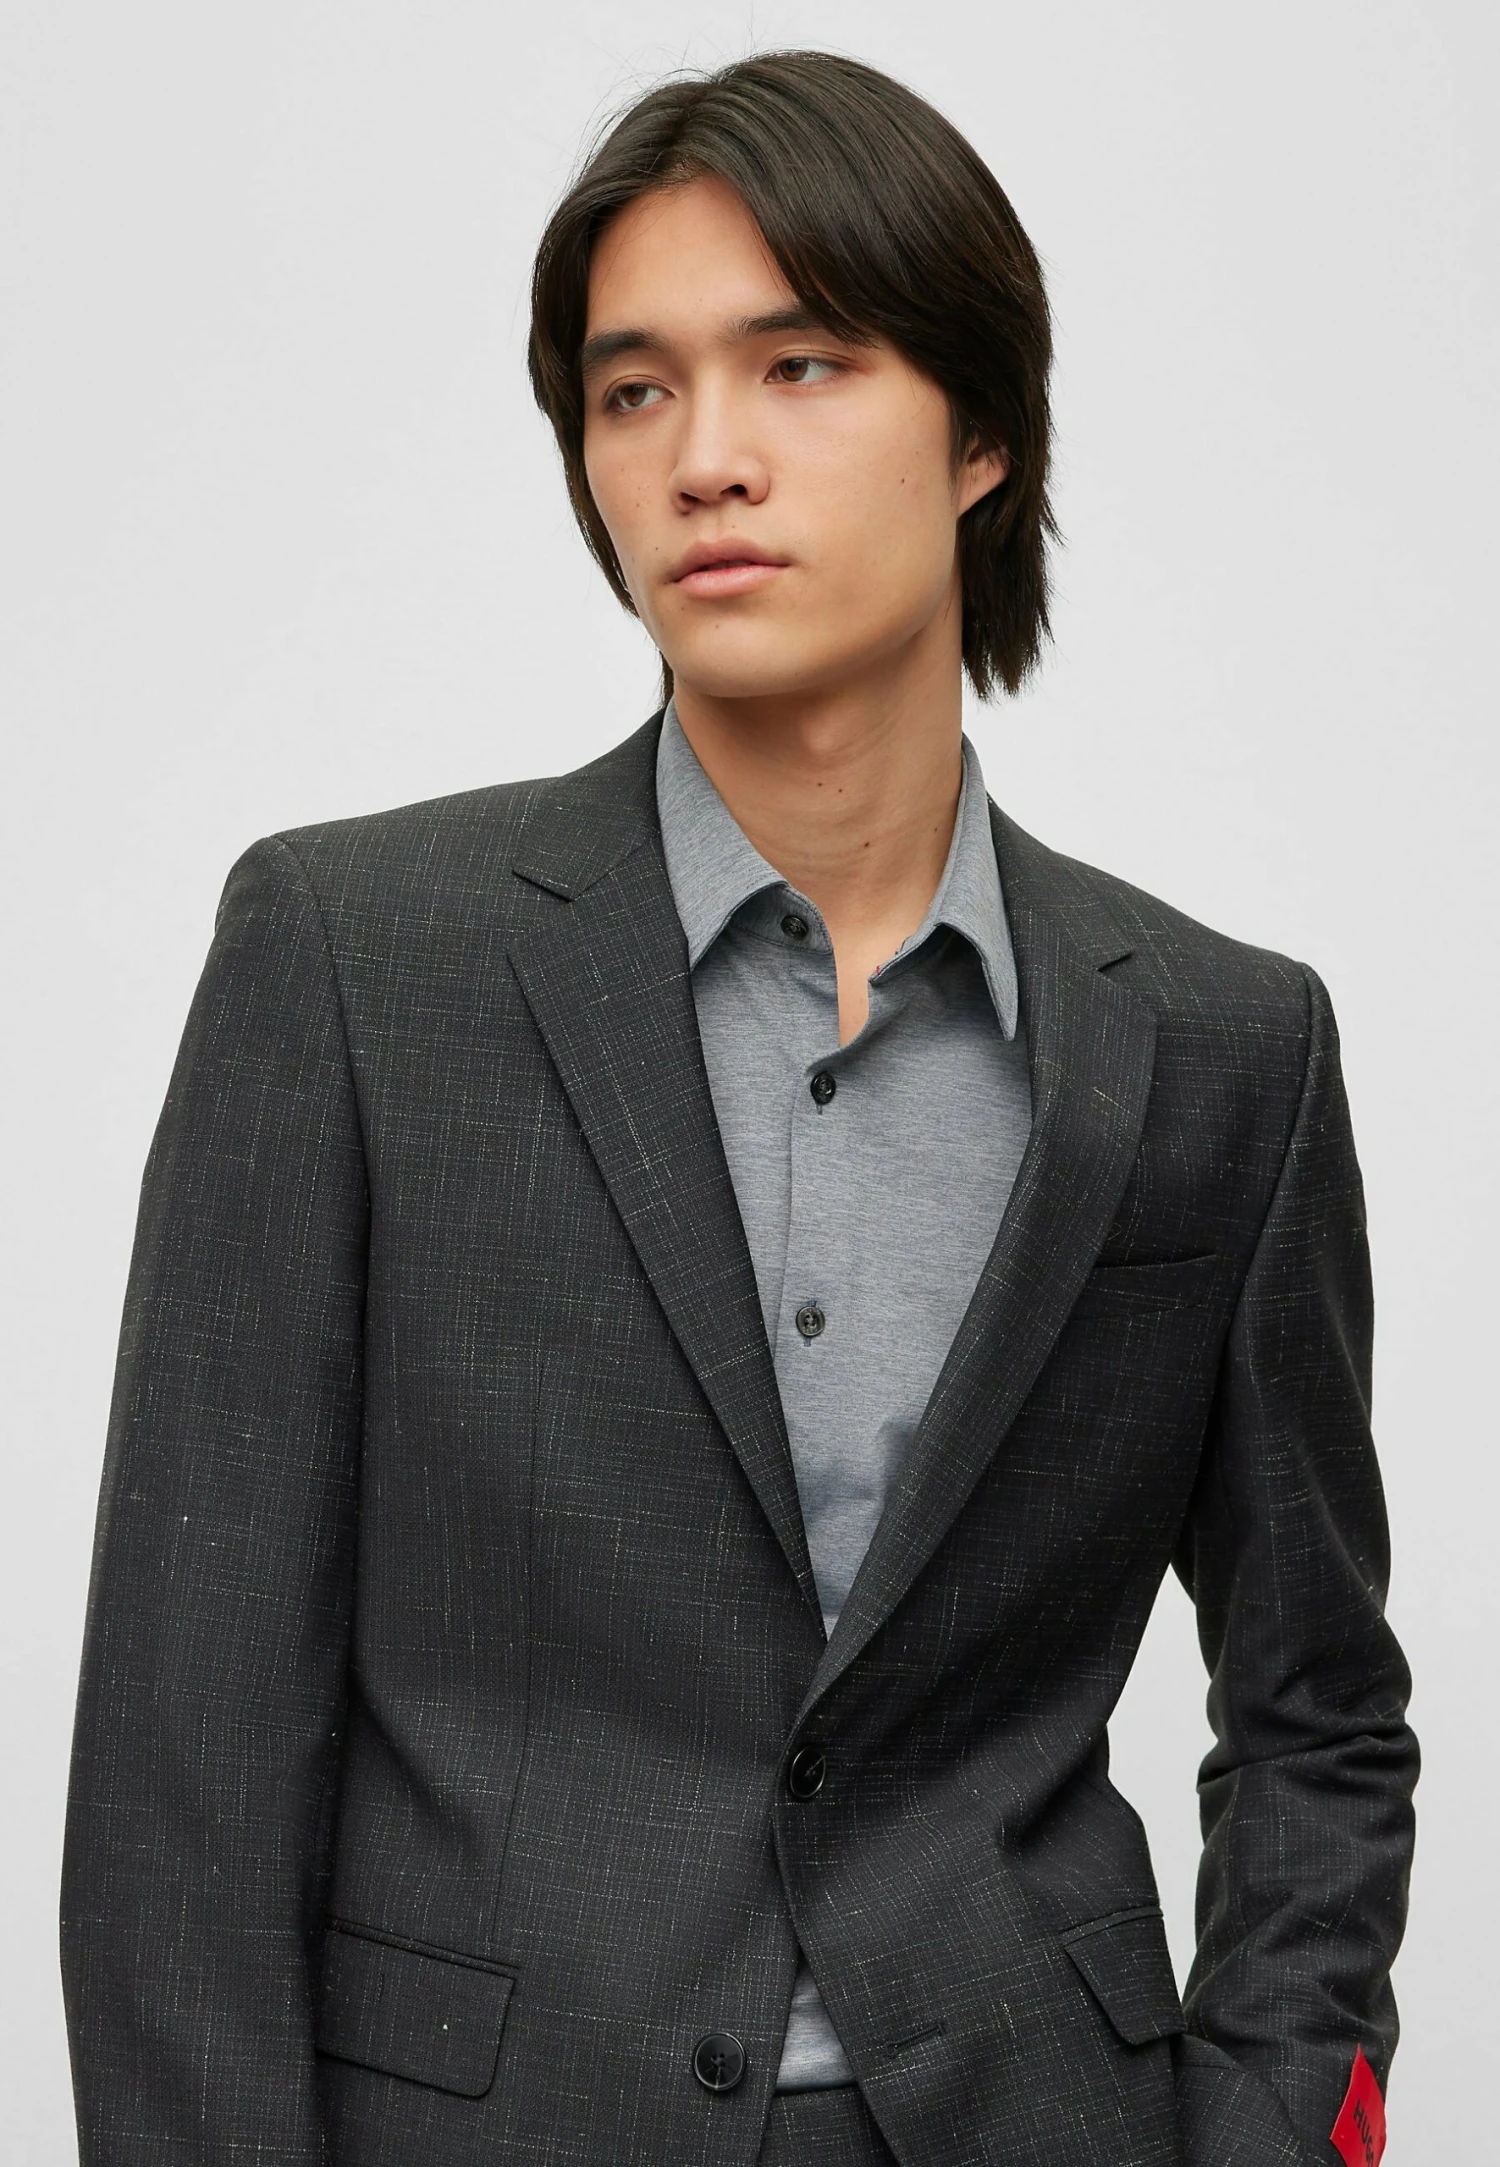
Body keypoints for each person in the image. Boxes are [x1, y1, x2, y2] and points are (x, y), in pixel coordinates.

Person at [61, 49, 1417, 2167]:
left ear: (981, 432)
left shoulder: (1226, 1048)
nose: (705, 458)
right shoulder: (354, 964)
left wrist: (1263, 2125)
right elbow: (186, 1761)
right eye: (635, 391)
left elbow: (1321, 1704)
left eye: (801, 366)